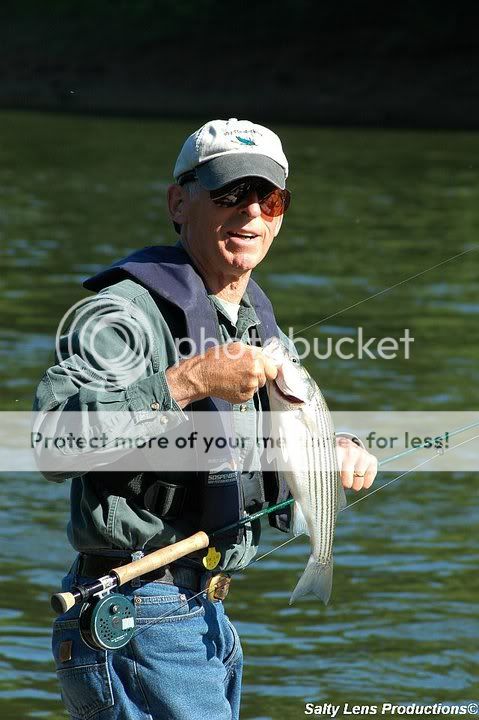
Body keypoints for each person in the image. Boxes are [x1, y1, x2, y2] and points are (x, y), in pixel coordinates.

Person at [34, 118, 378, 720]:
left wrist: (339, 447)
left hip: (207, 615)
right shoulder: (122, 313)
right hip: (137, 616)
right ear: (178, 202)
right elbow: (51, 443)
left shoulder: (249, 321)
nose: (250, 213)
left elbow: (282, 440)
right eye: (228, 194)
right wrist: (190, 380)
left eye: (269, 199)